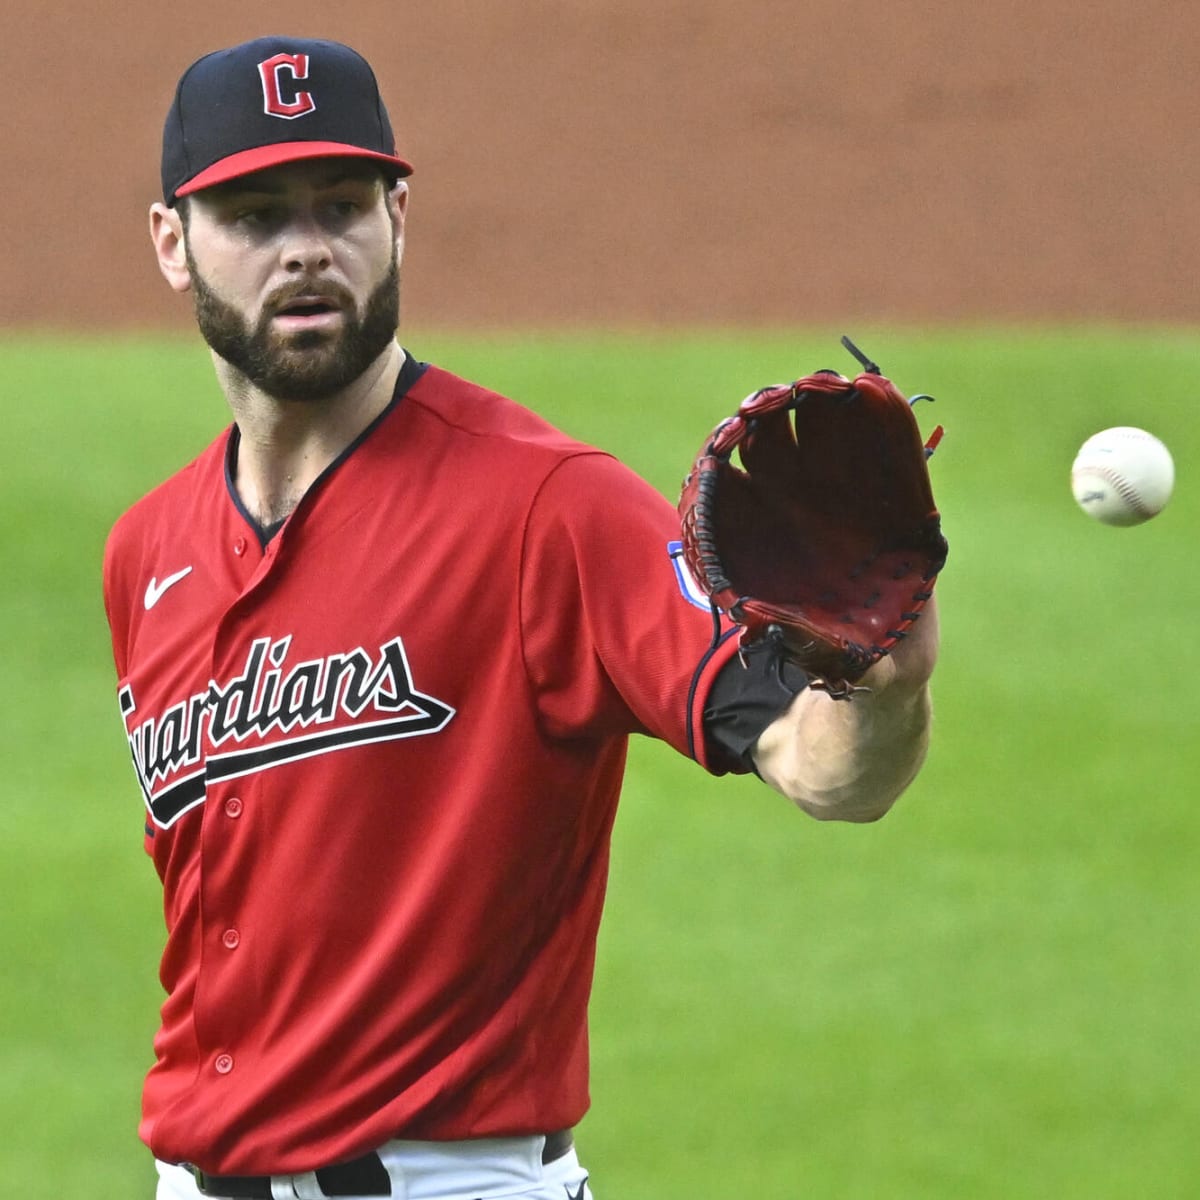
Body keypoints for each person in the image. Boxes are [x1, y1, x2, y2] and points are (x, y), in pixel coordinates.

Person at [102, 35, 940, 1200]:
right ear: (172, 242)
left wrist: (884, 687)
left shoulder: (548, 506)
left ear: (399, 216)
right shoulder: (147, 551)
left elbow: (826, 769)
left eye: (341, 206)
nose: (304, 248)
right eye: (252, 215)